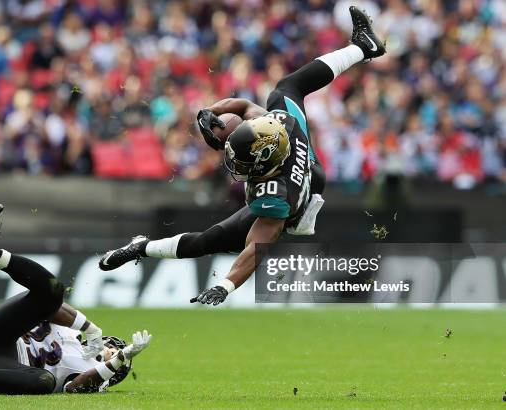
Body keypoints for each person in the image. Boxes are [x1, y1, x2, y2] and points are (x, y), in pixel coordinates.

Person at [99, 6, 386, 306]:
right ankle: (364, 47)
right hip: (294, 159)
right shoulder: (278, 122)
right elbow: (245, 106)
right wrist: (210, 113)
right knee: (285, 90)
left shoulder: (277, 196)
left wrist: (225, 285)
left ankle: (143, 248)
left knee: (210, 240)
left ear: (265, 163)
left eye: (244, 163)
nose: (234, 166)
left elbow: (255, 249)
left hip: (303, 190)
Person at [0, 203, 152, 394]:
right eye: (115, 349)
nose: (112, 351)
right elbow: (52, 307)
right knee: (53, 292)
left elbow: (74, 388)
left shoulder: (96, 375)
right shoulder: (73, 332)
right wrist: (91, 328)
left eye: (116, 354)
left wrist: (120, 359)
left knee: (45, 382)